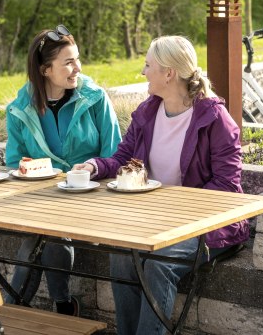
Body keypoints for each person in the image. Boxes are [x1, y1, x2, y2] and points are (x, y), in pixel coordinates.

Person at [73, 35, 249, 334]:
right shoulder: (148, 112)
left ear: (169, 73)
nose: (143, 72)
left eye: (147, 65)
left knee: (158, 263)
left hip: (208, 226)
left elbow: (227, 188)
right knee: (122, 255)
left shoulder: (215, 119)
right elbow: (123, 158)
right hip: (156, 223)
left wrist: (173, 209)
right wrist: (94, 166)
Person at [5, 24, 122, 316]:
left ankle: (11, 313)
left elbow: (116, 154)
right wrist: (29, 168)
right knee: (43, 231)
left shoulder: (95, 99)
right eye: (68, 62)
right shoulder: (20, 108)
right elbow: (14, 161)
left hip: (92, 197)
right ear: (45, 70)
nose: (77, 68)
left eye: (77, 59)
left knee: (43, 234)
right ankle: (61, 307)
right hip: (44, 199)